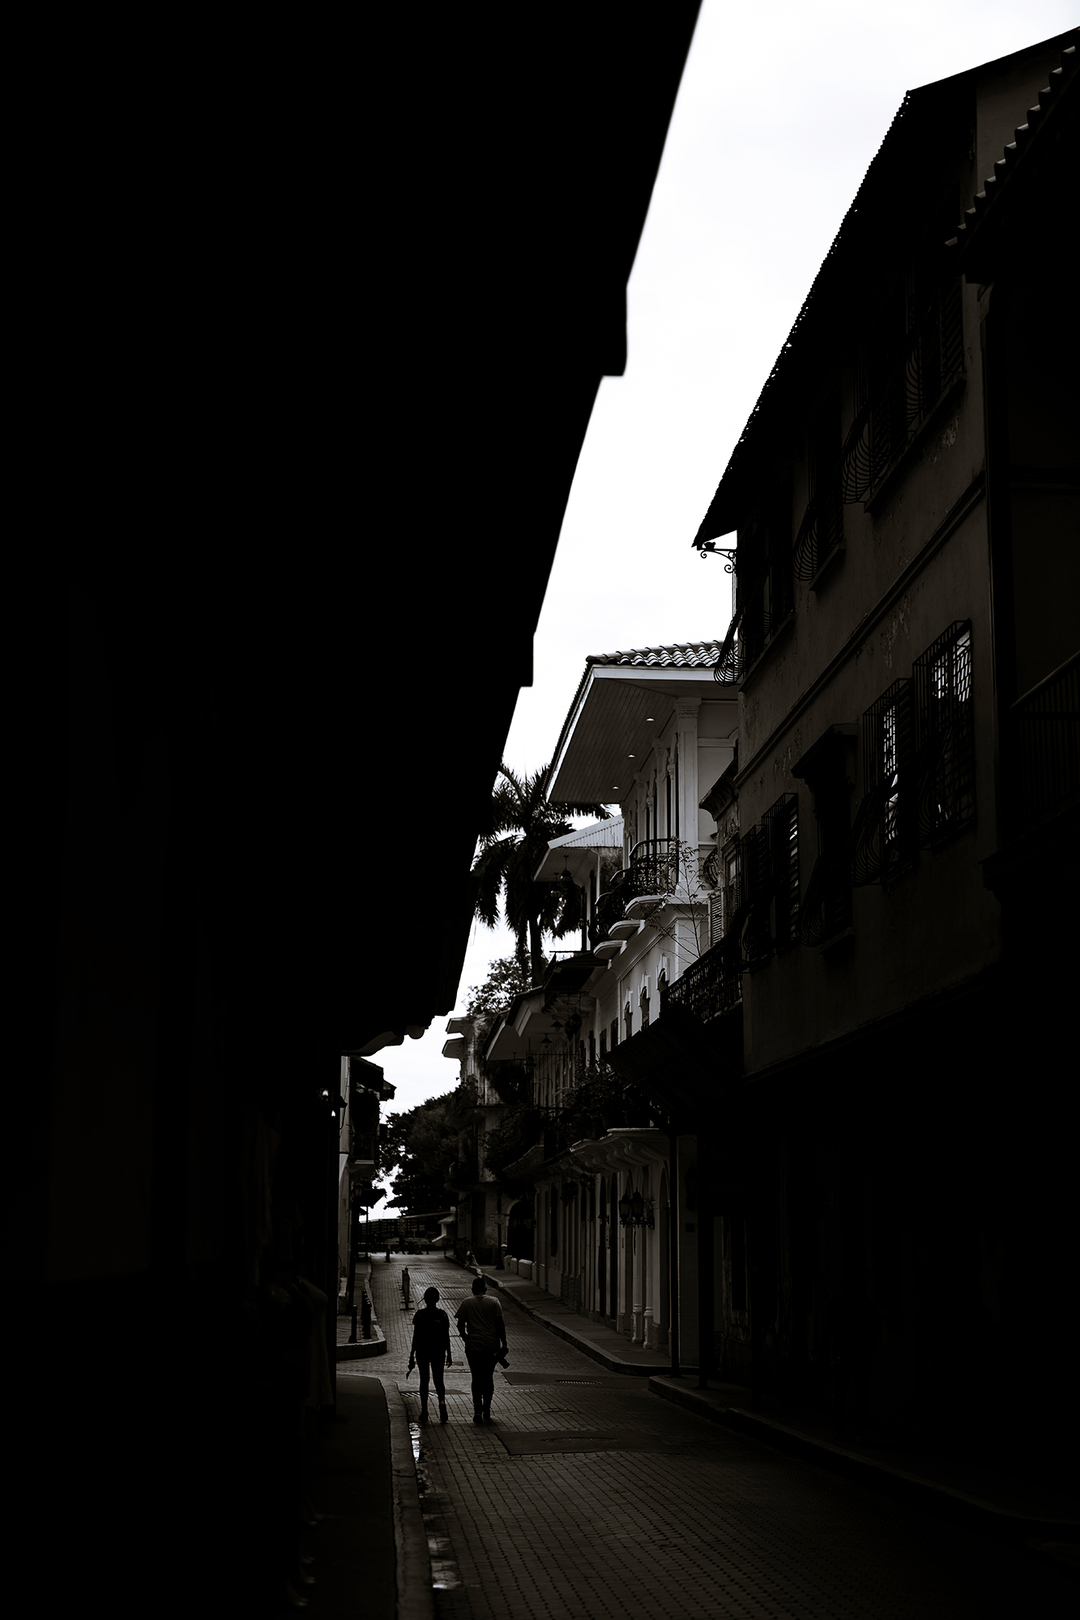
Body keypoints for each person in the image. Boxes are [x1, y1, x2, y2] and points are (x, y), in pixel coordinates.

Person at [455, 1276, 507, 1424]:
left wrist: (466, 1338)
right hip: (491, 1347)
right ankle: (487, 1409)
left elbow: (460, 1325)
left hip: (473, 1347)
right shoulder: (494, 1302)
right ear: (485, 1289)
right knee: (488, 1377)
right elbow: (500, 1325)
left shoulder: (466, 1303)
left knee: (476, 1378)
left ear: (472, 1289)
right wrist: (504, 1344)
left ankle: (477, 1410)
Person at [408, 1287, 452, 1423]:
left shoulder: (420, 1315)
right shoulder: (442, 1315)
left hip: (423, 1351)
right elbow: (446, 1337)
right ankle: (442, 1402)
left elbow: (416, 1337)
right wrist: (449, 1354)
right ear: (437, 1299)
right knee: (439, 1380)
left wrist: (411, 1355)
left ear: (425, 1299)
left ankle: (424, 1410)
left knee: (424, 1380)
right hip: (438, 1351)